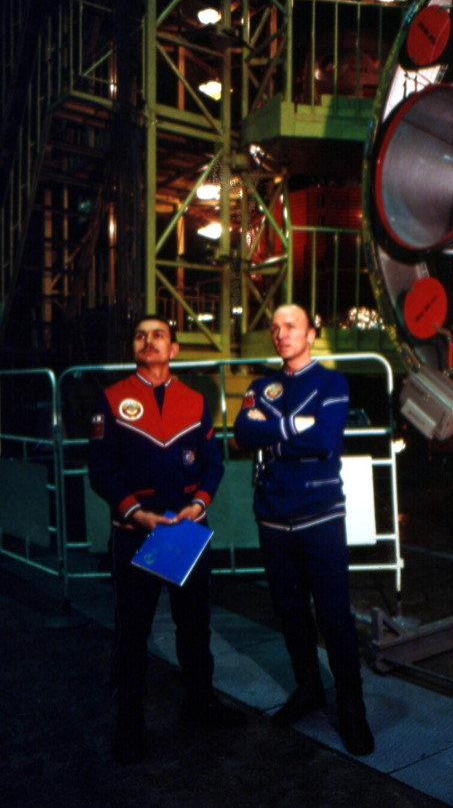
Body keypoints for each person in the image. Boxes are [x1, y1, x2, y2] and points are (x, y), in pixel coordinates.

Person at [88, 314, 245, 764]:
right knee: (132, 631)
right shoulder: (111, 399)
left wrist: (198, 505)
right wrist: (137, 514)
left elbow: (213, 464)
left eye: (158, 335)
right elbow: (101, 470)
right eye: (140, 335)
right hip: (134, 534)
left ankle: (200, 703)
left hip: (185, 532)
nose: (148, 341)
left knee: (194, 626)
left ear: (173, 349)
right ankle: (129, 723)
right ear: (133, 347)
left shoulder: (195, 401)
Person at [233, 303, 374, 756]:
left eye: (291, 326)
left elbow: (326, 439)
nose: (281, 334)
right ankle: (309, 689)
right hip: (273, 516)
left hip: (319, 515)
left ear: (311, 334)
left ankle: (352, 711)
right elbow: (241, 433)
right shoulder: (261, 385)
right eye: (275, 328)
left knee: (334, 616)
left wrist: (271, 434)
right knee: (290, 612)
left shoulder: (332, 383)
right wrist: (295, 426)